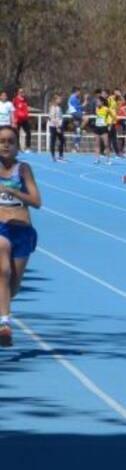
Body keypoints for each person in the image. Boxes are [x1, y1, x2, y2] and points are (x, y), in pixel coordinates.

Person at [0, 126, 41, 347]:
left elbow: (37, 202)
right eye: (1, 141)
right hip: (1, 229)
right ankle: (4, 324)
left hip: (22, 230)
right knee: (2, 272)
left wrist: (14, 192)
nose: (5, 144)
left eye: (10, 141)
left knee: (12, 285)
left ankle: (2, 308)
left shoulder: (23, 170)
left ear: (17, 146)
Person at [47, 95, 65, 161]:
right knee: (53, 140)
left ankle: (60, 155)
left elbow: (60, 117)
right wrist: (57, 127)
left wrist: (61, 124)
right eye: (59, 99)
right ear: (55, 100)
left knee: (62, 140)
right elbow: (53, 118)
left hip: (59, 126)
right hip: (54, 126)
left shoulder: (59, 108)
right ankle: (53, 155)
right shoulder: (53, 108)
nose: (60, 100)